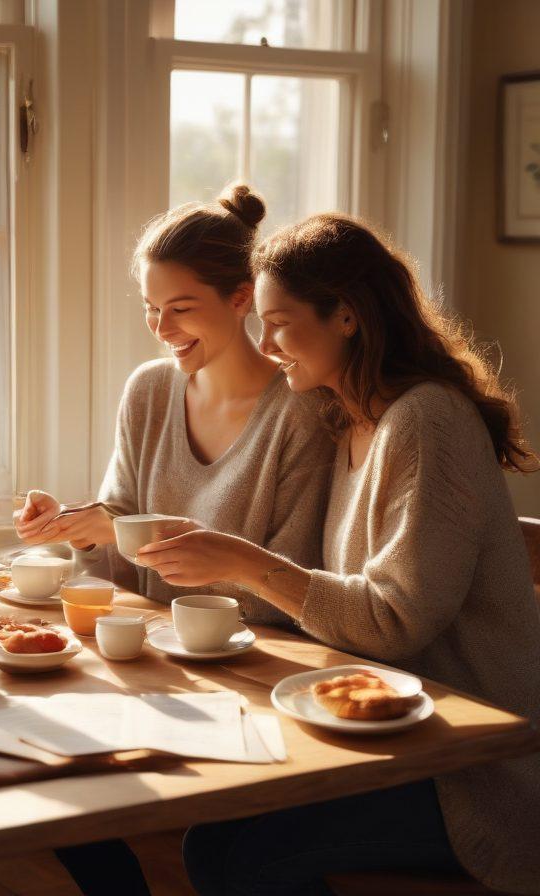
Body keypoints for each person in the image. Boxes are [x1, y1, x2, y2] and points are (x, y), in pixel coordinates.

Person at [141, 213, 540, 894]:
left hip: (474, 772)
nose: (265, 346)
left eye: (279, 322)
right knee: (214, 832)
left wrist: (242, 561)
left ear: (347, 318)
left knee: (243, 854)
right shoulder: (349, 416)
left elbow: (395, 620)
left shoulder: (426, 420)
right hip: (381, 738)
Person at [15, 184, 334, 629]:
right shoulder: (148, 390)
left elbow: (288, 593)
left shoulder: (300, 412)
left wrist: (124, 533)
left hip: (261, 663)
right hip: (154, 656)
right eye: (151, 308)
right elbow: (119, 562)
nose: (163, 329)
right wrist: (79, 530)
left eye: (181, 309)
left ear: (241, 298)